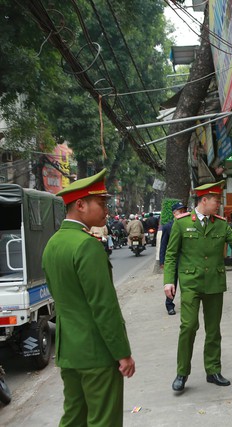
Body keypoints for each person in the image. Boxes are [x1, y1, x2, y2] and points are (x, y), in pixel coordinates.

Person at [163, 181, 232, 392]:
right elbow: (171, 255)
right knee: (188, 327)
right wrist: (169, 281)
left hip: (214, 283)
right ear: (204, 200)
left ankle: (213, 370)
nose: (219, 205)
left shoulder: (220, 224)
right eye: (217, 201)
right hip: (191, 283)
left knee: (213, 330)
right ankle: (182, 373)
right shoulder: (181, 223)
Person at [41, 169, 135, 426]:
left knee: (74, 418)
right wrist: (122, 353)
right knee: (104, 420)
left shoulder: (53, 244)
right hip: (97, 353)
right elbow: (104, 307)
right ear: (80, 205)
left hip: (69, 352)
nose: (107, 209)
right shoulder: (87, 246)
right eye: (102, 203)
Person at [159, 202, 187, 315]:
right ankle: (169, 305)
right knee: (172, 283)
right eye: (180, 211)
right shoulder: (167, 227)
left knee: (186, 283)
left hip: (185, 260)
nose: (182, 213)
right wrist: (162, 261)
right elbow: (163, 245)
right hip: (173, 261)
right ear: (174, 213)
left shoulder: (188, 224)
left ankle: (188, 303)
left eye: (184, 211)